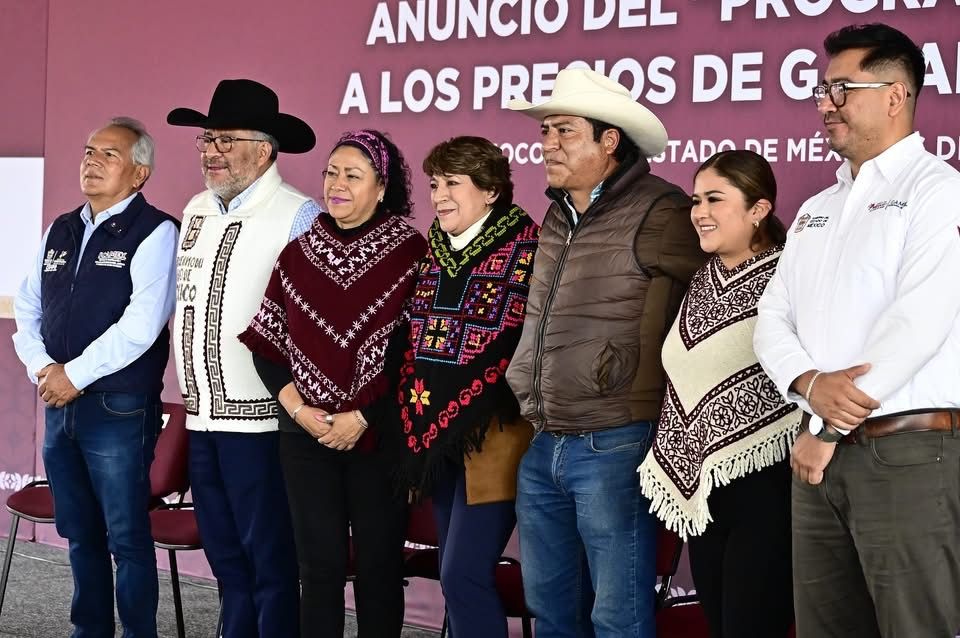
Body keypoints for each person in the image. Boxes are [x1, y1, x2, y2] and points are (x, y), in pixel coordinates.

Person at [754, 23, 960, 638]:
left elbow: (917, 323)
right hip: (818, 458)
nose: (824, 104)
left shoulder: (939, 192)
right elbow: (771, 318)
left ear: (895, 95)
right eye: (821, 90)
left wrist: (824, 424)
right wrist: (807, 382)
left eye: (841, 89)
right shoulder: (818, 207)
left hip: (907, 455)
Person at [504, 68, 705, 637]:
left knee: (618, 617)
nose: (547, 144)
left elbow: (726, 293)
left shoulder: (660, 209)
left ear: (609, 139)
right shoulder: (554, 211)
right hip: (544, 440)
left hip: (615, 441)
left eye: (564, 131)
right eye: (546, 131)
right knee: (548, 611)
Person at [239, 129, 427, 637]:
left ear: (381, 186)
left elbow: (415, 354)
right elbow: (268, 346)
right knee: (317, 570)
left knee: (379, 570)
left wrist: (362, 416)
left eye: (353, 175)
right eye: (331, 173)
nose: (337, 184)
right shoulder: (298, 254)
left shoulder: (411, 253)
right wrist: (299, 411)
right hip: (306, 437)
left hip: (379, 436)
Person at [12, 117, 177, 637]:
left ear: (140, 173)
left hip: (118, 408)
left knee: (126, 537)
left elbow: (143, 325)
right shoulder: (61, 228)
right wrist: (45, 369)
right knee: (80, 533)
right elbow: (27, 307)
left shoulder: (156, 231)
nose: (91, 161)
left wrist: (74, 375)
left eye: (109, 154)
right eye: (88, 151)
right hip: (60, 402)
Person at [167, 78, 320, 638]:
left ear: (264, 148)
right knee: (225, 556)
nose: (211, 152)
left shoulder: (298, 215)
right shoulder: (196, 209)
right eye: (206, 140)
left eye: (224, 140)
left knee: (270, 561)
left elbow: (309, 327)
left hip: (261, 421)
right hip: (201, 415)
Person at [638, 150, 800, 638]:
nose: (699, 212)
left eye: (714, 199)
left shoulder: (788, 276)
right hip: (706, 487)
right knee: (720, 624)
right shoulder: (704, 278)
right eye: (695, 200)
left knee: (752, 627)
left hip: (766, 486)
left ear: (759, 209)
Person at [390, 136, 539, 638]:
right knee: (455, 575)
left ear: (491, 191)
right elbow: (415, 336)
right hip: (437, 431)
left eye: (453, 184)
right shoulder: (434, 250)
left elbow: (514, 341)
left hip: (494, 435)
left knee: (464, 573)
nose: (439, 196)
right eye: (435, 184)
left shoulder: (526, 247)